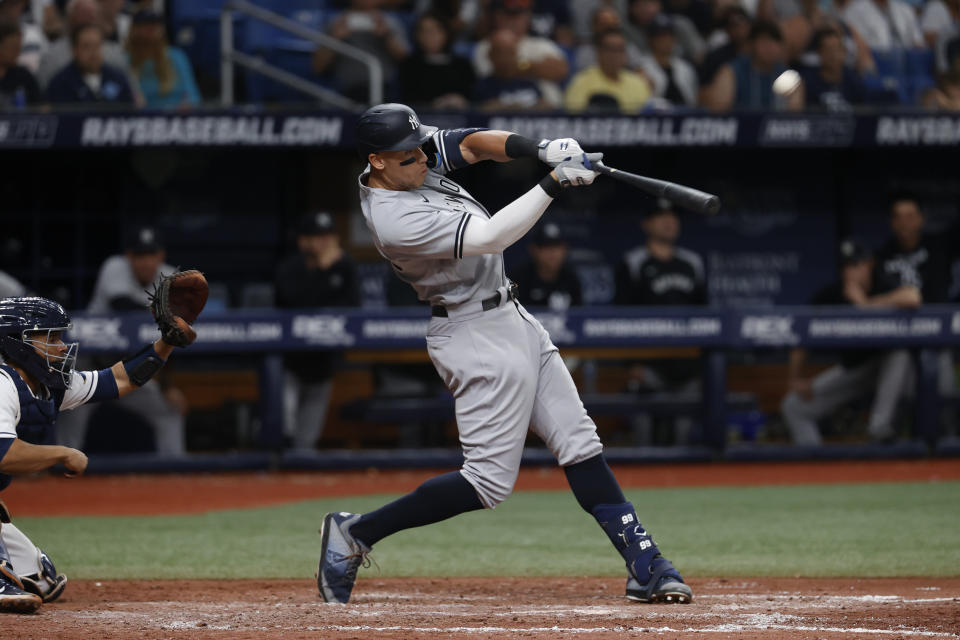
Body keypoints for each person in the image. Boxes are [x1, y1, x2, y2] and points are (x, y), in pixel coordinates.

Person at [316, 102, 693, 606]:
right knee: (487, 483)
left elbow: (473, 143)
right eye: (408, 157)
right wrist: (554, 183)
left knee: (580, 444)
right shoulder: (392, 218)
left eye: (418, 149)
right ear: (376, 161)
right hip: (471, 332)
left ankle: (646, 565)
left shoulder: (409, 158)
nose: (422, 159)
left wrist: (538, 149)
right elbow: (491, 236)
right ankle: (356, 532)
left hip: (512, 316)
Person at [0, 294, 199, 612]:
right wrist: (63, 454)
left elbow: (119, 380)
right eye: (50, 337)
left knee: (41, 580)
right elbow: (4, 454)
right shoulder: (1, 383)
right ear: (16, 343)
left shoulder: (44, 384)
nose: (62, 346)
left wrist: (165, 343)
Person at [56, 225, 186, 456]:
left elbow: (169, 338)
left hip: (128, 370)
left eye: (151, 255)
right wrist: (163, 312)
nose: (145, 262)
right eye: (139, 255)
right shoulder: (115, 267)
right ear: (128, 256)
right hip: (88, 368)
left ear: (160, 256)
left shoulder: (169, 277)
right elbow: (123, 307)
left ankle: (175, 477)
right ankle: (60, 478)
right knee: (68, 441)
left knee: (169, 409)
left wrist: (167, 387)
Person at [781, 241, 920, 444]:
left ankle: (879, 427)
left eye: (856, 265)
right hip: (854, 370)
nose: (850, 272)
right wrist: (795, 378)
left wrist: (864, 304)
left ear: (869, 264)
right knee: (793, 406)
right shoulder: (832, 294)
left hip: (891, 372)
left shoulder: (883, 283)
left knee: (900, 353)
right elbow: (801, 337)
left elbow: (913, 297)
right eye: (845, 266)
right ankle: (816, 464)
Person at [614, 201, 707, 445]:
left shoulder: (693, 263)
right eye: (660, 216)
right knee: (643, 435)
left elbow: (706, 317)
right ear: (647, 224)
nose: (669, 221)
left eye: (673, 216)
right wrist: (631, 363)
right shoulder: (633, 262)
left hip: (686, 365)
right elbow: (619, 317)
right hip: (648, 364)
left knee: (684, 438)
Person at [274, 211, 360, 452]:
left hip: (323, 363)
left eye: (327, 236)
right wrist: (323, 270)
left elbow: (353, 310)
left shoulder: (345, 267)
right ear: (303, 240)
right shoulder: (289, 268)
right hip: (288, 362)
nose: (323, 242)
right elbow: (294, 303)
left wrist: (328, 269)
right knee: (282, 432)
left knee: (306, 442)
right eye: (316, 236)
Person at [471, 0, 569, 108]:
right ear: (498, 17)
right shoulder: (485, 46)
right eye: (509, 15)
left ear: (528, 17)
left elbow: (560, 71)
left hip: (546, 111)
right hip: (499, 108)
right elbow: (502, 72)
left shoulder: (542, 44)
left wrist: (521, 65)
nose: (513, 21)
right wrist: (535, 68)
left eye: (519, 15)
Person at [311, 0, 410, 103]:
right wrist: (335, 38)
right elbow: (318, 67)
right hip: (347, 91)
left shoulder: (390, 21)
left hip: (386, 90)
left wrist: (387, 36)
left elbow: (406, 60)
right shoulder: (336, 21)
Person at [705, 20, 805, 110]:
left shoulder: (789, 76)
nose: (769, 47)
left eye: (775, 41)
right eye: (763, 41)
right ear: (751, 44)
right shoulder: (731, 71)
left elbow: (794, 117)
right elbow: (718, 112)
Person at [35, 0, 135, 91]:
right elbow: (43, 99)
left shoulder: (115, 54)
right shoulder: (52, 57)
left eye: (90, 16)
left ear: (98, 18)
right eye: (81, 15)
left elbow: (134, 96)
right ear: (70, 19)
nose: (86, 21)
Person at [124, 9, 200, 109]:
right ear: (134, 29)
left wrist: (187, 105)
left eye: (155, 25)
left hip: (176, 117)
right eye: (145, 25)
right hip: (141, 118)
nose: (151, 29)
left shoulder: (177, 56)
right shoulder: (124, 60)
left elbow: (193, 96)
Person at [564, 28, 653, 113]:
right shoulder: (581, 82)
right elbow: (574, 119)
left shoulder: (638, 82)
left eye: (620, 49)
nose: (616, 55)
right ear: (599, 52)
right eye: (611, 49)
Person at [398, 12, 474, 109]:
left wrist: (460, 101)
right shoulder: (409, 66)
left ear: (446, 33)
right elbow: (407, 101)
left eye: (436, 30)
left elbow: (474, 100)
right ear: (417, 35)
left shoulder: (462, 66)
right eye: (424, 31)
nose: (429, 36)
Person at [45, 23, 134, 104]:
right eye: (86, 46)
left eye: (97, 46)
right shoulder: (60, 83)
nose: (93, 52)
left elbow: (131, 113)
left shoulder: (117, 78)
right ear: (74, 50)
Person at [472, 28, 550, 109]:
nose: (506, 58)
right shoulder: (483, 86)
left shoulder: (529, 83)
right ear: (490, 55)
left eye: (510, 52)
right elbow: (477, 113)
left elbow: (546, 106)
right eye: (500, 53)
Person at [511, 221, 583, 310]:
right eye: (545, 246)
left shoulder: (571, 279)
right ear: (534, 250)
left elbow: (579, 316)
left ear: (564, 249)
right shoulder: (519, 278)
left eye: (556, 246)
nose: (552, 253)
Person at [637, 15, 700, 106]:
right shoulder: (641, 67)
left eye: (669, 36)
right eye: (660, 36)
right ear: (651, 39)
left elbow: (694, 100)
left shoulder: (685, 67)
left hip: (685, 115)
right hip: (656, 116)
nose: (665, 40)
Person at [800, 27, 867, 109]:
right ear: (819, 53)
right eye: (828, 50)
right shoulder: (808, 81)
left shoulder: (854, 81)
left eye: (837, 50)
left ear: (844, 52)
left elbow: (863, 114)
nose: (833, 55)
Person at [623, 0, 706, 64]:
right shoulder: (626, 31)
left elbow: (699, 55)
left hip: (683, 70)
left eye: (649, 3)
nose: (644, 9)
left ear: (659, 4)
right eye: (638, 5)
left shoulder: (679, 24)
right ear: (630, 8)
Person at [841, 0, 924, 50]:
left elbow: (918, 41)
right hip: (876, 62)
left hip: (905, 62)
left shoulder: (905, 10)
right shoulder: (853, 11)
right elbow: (854, 46)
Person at [0, 21, 41, 108]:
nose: (17, 53)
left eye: (19, 48)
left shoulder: (24, 76)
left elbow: (41, 109)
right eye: (12, 48)